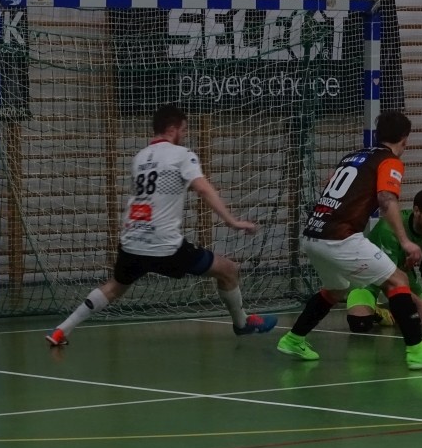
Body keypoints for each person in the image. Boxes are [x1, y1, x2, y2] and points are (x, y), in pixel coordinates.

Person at [45, 104, 277, 346]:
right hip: (164, 247)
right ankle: (242, 323)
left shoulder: (140, 158)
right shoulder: (182, 155)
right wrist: (232, 221)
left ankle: (62, 330)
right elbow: (203, 188)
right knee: (228, 270)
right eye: (184, 130)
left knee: (114, 287)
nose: (185, 135)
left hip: (132, 241)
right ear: (172, 128)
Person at [276, 111, 422, 370]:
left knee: (336, 289)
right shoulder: (390, 161)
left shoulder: (352, 157)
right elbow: (386, 199)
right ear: (405, 139)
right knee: (399, 280)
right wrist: (405, 241)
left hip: (313, 235)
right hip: (340, 238)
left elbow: (330, 184)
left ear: (377, 134)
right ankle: (417, 352)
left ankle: (294, 339)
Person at [345, 187, 422, 333]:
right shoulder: (388, 230)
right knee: (360, 324)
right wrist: (420, 302)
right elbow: (387, 277)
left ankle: (389, 309)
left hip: (401, 274)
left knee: (419, 318)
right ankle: (375, 310)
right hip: (367, 274)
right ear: (416, 211)